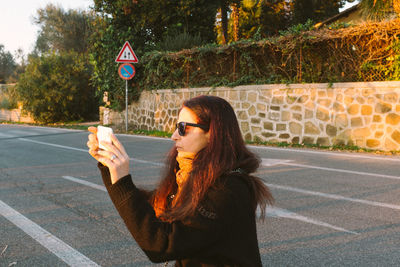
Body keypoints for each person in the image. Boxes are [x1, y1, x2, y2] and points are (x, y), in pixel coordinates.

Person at [87, 95, 274, 267]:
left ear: (212, 133)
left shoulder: (228, 188)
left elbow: (163, 244)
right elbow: (149, 210)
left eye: (183, 128)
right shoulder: (188, 174)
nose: (174, 135)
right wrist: (109, 166)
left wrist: (122, 181)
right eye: (176, 127)